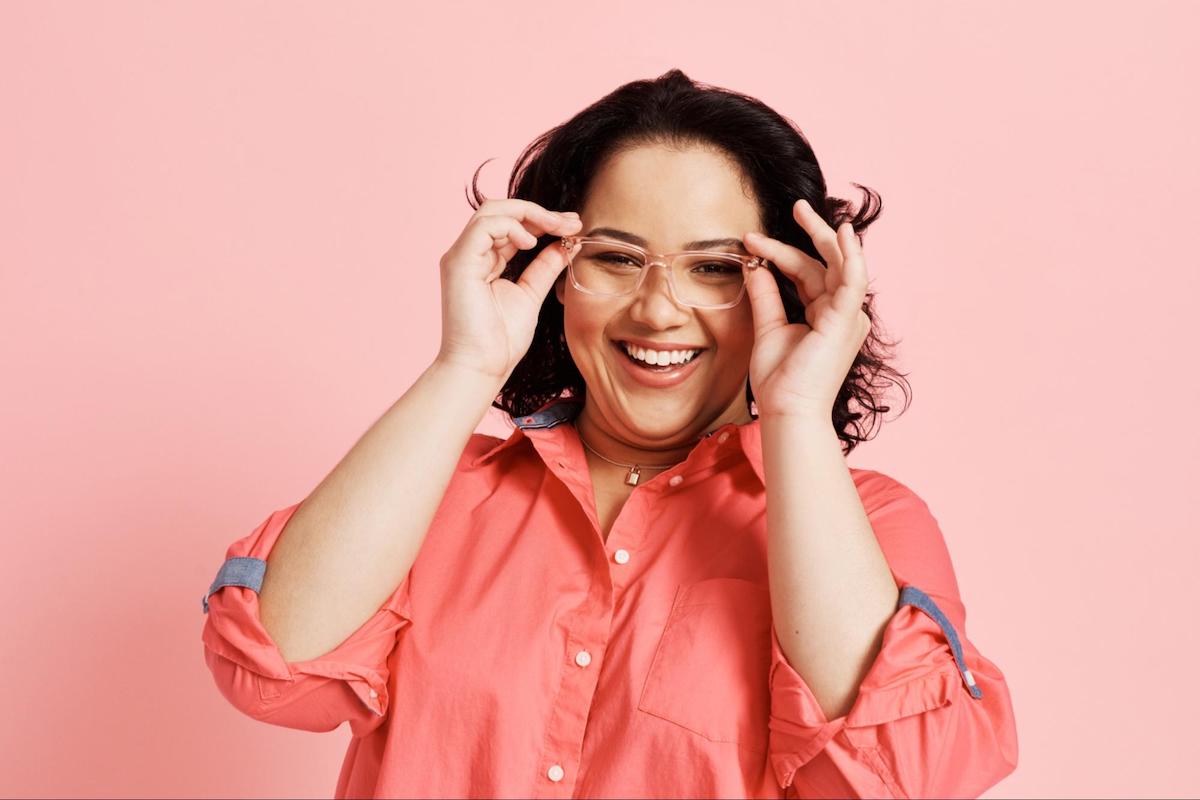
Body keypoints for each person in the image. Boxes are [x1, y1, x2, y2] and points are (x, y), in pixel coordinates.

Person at [200, 69, 1018, 798]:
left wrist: (797, 412)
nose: (659, 309)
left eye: (716, 268)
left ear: (792, 285)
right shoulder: (434, 496)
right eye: (618, 258)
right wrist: (466, 367)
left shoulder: (869, 528)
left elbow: (903, 776)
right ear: (555, 272)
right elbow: (272, 663)